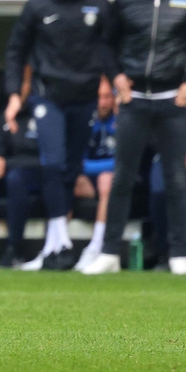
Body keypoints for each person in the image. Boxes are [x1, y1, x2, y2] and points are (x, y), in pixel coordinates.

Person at [84, 0, 186, 275]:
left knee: (175, 179)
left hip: (173, 101)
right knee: (122, 179)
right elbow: (105, 44)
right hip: (133, 101)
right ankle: (108, 253)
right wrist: (116, 77)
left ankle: (178, 255)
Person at [3, 0, 115, 271]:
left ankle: (53, 248)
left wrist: (112, 82)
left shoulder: (100, 6)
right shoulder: (38, 5)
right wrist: (14, 94)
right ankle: (62, 239)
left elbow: (110, 49)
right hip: (47, 96)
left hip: (85, 99)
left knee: (70, 168)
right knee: (51, 163)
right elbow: (15, 51)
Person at [0, 67, 43, 268]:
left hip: (35, 177)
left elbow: (49, 158)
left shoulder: (44, 113)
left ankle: (14, 249)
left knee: (16, 178)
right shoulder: (6, 114)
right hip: (6, 173)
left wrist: (6, 164)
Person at [72, 79, 116, 271]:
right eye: (98, 97)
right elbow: (76, 161)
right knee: (67, 179)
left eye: (107, 97)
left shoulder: (122, 121)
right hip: (92, 182)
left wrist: (87, 168)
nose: (102, 103)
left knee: (106, 179)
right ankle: (55, 247)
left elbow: (122, 162)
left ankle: (96, 246)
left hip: (119, 182)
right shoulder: (87, 122)